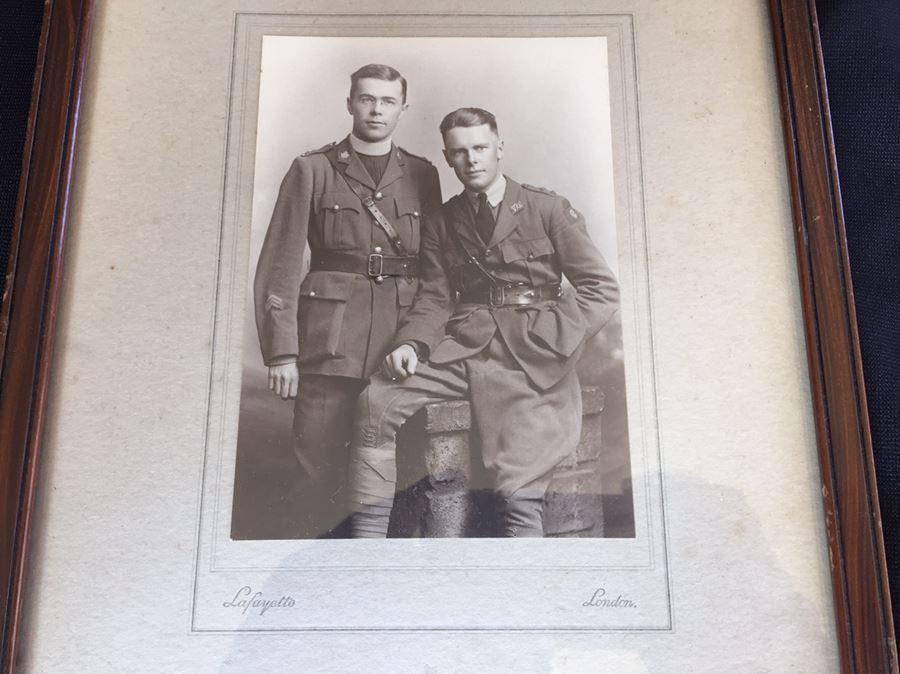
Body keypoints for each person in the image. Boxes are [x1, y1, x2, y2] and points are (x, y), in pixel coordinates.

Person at [348, 107, 619, 538]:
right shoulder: (442, 220)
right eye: (459, 152)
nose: (471, 160)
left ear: (499, 148)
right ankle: (365, 553)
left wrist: (558, 342)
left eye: (480, 148)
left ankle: (519, 588)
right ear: (447, 158)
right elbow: (435, 297)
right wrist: (411, 345)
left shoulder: (545, 208)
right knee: (376, 402)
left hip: (534, 354)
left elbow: (600, 289)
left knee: (519, 485)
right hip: (469, 345)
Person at [254, 64, 441, 538]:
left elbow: (436, 273)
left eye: (387, 101)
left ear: (403, 108)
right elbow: (280, 261)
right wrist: (282, 352)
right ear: (350, 103)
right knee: (317, 476)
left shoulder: (422, 173)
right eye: (366, 99)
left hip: (398, 350)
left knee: (399, 479)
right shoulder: (312, 168)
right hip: (328, 348)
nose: (376, 109)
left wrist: (418, 342)